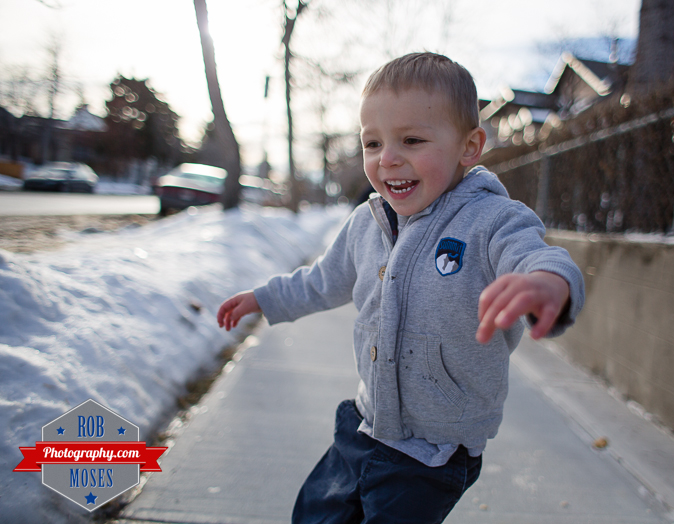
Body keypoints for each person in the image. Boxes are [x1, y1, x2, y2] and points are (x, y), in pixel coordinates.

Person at [217, 52, 585, 524]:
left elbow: (538, 254)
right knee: (312, 515)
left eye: (411, 140)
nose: (388, 158)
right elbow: (322, 281)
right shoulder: (367, 223)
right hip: (366, 424)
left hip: (431, 453)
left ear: (469, 147)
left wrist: (548, 283)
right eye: (373, 143)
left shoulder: (492, 221)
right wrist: (266, 297)